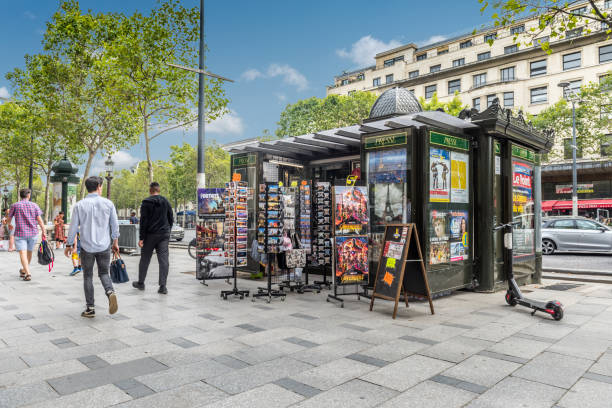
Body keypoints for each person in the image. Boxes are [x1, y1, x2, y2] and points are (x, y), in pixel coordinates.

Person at [65, 176, 119, 318]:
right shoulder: (108, 203)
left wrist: (69, 244)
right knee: (104, 273)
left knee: (87, 276)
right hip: (104, 245)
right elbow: (115, 225)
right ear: (99, 187)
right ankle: (110, 291)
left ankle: (90, 308)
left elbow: (73, 227)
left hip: (87, 246)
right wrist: (115, 243)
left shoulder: (79, 205)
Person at [133, 182, 173, 294]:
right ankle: (163, 286)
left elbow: (143, 222)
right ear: (158, 190)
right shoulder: (166, 201)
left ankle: (141, 283)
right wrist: (167, 231)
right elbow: (171, 218)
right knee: (164, 260)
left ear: (150, 191)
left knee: (145, 259)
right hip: (164, 235)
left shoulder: (146, 203)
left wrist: (141, 238)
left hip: (150, 235)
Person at [7, 189, 46, 281]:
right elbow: (40, 221)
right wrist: (44, 231)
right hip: (33, 233)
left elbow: (9, 219)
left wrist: (9, 224)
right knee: (29, 253)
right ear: (28, 195)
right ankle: (26, 272)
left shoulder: (15, 205)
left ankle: (25, 271)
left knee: (22, 254)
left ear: (21, 195)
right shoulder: (34, 205)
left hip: (20, 233)